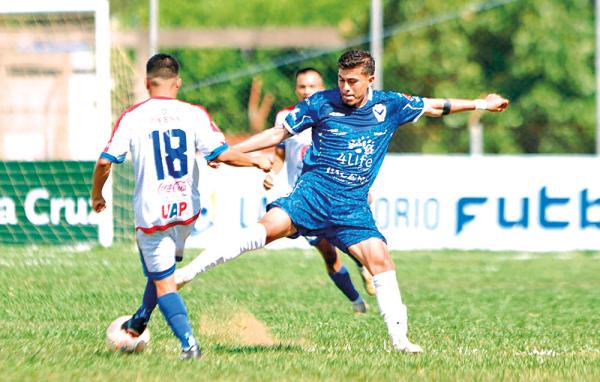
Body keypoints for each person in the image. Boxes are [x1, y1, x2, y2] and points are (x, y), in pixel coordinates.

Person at [175, 49, 509, 353]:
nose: (346, 88)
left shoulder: (390, 105)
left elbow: (436, 106)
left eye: (352, 81)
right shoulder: (321, 103)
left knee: (380, 259)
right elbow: (278, 134)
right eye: (341, 80)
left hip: (351, 207)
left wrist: (481, 104)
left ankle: (401, 341)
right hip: (313, 196)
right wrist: (231, 151)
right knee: (263, 231)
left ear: (369, 80)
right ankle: (187, 273)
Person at [91, 53, 271, 360]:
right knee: (163, 271)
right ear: (179, 82)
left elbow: (105, 162)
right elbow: (221, 154)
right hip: (187, 209)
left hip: (153, 212)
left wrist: (98, 195)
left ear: (147, 83)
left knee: (164, 283)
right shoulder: (194, 113)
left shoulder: (134, 116)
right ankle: (139, 321)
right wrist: (256, 161)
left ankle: (189, 345)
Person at [263, 67, 375, 313]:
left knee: (351, 241)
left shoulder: (336, 114)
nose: (306, 91)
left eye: (312, 86)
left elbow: (354, 155)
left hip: (337, 193)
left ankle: (363, 265)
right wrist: (272, 172)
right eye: (302, 86)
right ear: (296, 89)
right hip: (305, 199)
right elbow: (281, 153)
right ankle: (357, 302)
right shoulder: (286, 117)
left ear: (322, 88)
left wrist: (362, 187)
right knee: (329, 255)